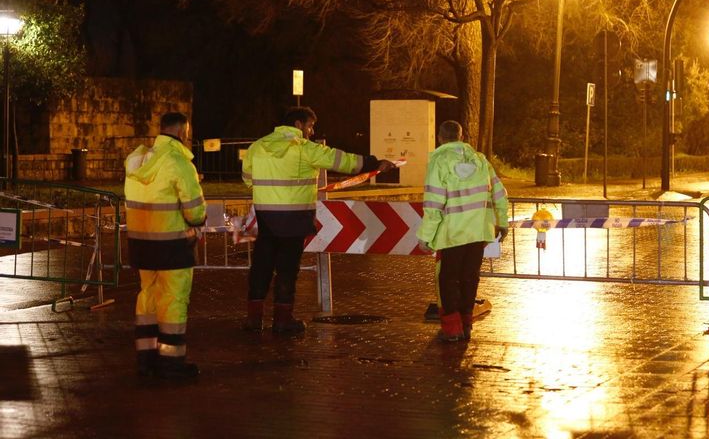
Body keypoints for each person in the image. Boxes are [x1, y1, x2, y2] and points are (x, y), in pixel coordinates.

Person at [242, 106, 394, 334]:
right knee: (287, 269)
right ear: (298, 125)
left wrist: (269, 194)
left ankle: (254, 319)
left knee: (261, 266)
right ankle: (282, 319)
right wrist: (374, 163)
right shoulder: (304, 148)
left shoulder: (257, 147)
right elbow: (342, 161)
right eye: (310, 126)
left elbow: (247, 179)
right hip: (294, 217)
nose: (312, 132)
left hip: (266, 216)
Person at [125, 112, 206, 379]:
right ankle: (171, 363)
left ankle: (145, 359)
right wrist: (199, 220)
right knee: (173, 300)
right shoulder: (179, 163)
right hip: (173, 244)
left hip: (141, 243)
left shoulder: (137, 160)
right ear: (182, 131)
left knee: (147, 296)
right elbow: (195, 211)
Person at [416, 120, 508, 342]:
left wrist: (425, 236)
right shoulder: (480, 160)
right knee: (469, 278)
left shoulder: (439, 162)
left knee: (448, 280)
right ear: (462, 136)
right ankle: (466, 324)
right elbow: (499, 193)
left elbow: (434, 204)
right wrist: (502, 222)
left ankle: (452, 329)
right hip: (478, 233)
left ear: (440, 137)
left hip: (453, 234)